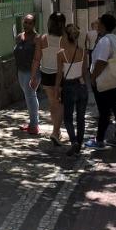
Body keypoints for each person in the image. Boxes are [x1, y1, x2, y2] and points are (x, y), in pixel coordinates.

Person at [85, 14, 116, 150]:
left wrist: (92, 78)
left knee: (104, 111)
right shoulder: (115, 39)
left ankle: (99, 140)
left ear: (103, 25)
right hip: (115, 78)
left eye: (99, 23)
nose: (97, 25)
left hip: (105, 79)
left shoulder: (105, 41)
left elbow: (101, 62)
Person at [31, 12, 66, 146]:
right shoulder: (65, 39)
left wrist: (33, 76)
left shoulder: (42, 38)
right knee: (60, 103)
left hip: (46, 74)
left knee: (53, 103)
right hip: (61, 75)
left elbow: (36, 59)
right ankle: (56, 132)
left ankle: (56, 131)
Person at [56, 24, 90, 156]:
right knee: (81, 118)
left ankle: (74, 141)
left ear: (65, 36)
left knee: (68, 117)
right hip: (81, 86)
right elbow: (83, 72)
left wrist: (57, 89)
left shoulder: (61, 53)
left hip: (68, 87)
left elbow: (60, 74)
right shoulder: (83, 52)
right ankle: (79, 145)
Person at [14, 13, 40, 135]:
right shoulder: (19, 37)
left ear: (34, 24)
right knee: (28, 96)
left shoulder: (37, 38)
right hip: (21, 71)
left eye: (30, 23)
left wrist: (34, 76)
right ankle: (32, 122)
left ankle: (34, 125)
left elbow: (38, 58)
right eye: (25, 22)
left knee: (30, 96)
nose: (27, 25)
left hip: (32, 72)